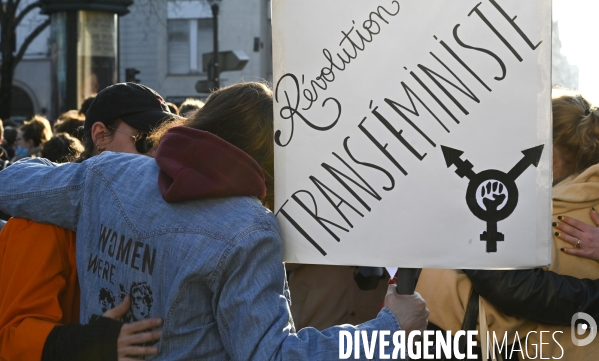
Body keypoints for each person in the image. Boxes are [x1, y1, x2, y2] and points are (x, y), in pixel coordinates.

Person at [0, 82, 429, 360]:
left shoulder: (112, 172)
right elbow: (274, 356)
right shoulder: (248, 228)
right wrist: (388, 329)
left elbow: (13, 184)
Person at [0, 82, 178, 361]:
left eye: (164, 143)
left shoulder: (161, 217)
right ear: (100, 136)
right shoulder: (42, 220)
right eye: (145, 141)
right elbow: (13, 339)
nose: (155, 157)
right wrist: (93, 345)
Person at [416, 94, 599, 360]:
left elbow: (510, 286)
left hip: (458, 337)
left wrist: (463, 222)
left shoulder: (541, 208)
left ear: (550, 150)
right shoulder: (561, 202)